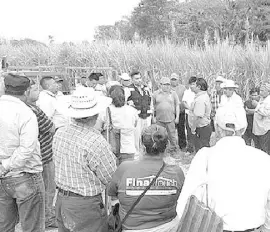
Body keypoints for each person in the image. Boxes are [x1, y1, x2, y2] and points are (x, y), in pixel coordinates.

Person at [177, 104, 270, 232]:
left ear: (217, 128)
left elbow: (184, 204)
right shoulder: (263, 158)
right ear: (244, 129)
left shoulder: (205, 156)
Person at [53, 87, 117, 232]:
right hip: (85, 204)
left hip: (63, 199)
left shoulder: (60, 133)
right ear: (95, 114)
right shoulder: (96, 141)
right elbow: (111, 177)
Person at [108, 124, 185, 232]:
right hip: (168, 227)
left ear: (142, 145)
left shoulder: (124, 168)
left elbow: (112, 193)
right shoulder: (177, 172)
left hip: (132, 228)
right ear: (167, 145)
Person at [0, 73, 45, 232]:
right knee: (32, 227)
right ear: (26, 92)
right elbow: (27, 149)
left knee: (4, 226)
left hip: (4, 175)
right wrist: (7, 166)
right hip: (25, 175)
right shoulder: (25, 113)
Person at [26, 79, 57, 228]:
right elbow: (50, 127)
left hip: (33, 157)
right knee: (48, 189)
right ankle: (48, 218)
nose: (38, 92)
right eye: (35, 89)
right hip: (43, 155)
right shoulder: (34, 110)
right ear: (26, 92)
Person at [95, 85, 138, 164]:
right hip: (128, 148)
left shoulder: (105, 111)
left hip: (112, 148)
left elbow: (97, 128)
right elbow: (135, 125)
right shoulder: (132, 111)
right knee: (126, 174)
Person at [127, 71, 152, 154]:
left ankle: (147, 152)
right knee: (136, 137)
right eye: (136, 79)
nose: (139, 80)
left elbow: (150, 101)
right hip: (137, 117)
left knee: (147, 135)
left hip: (147, 116)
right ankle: (137, 154)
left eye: (140, 78)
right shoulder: (129, 89)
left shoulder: (146, 88)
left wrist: (152, 114)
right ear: (132, 79)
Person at [152, 77, 180, 153]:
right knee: (160, 136)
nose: (167, 86)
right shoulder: (155, 94)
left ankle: (174, 150)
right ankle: (160, 150)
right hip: (159, 120)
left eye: (168, 84)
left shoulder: (173, 93)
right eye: (165, 84)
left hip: (170, 119)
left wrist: (177, 117)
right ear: (160, 85)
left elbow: (177, 105)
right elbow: (152, 106)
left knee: (172, 136)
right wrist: (153, 117)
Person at [189, 77, 212, 152]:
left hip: (201, 128)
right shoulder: (202, 96)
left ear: (199, 87)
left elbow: (198, 116)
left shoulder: (200, 99)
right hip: (203, 128)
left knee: (202, 151)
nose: (193, 87)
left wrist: (193, 128)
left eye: (195, 85)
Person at [170, 73, 187, 151]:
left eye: (175, 79)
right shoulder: (168, 88)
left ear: (178, 80)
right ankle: (171, 146)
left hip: (181, 112)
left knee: (181, 130)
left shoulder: (183, 88)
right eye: (172, 79)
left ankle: (182, 146)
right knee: (171, 130)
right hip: (171, 113)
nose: (173, 81)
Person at [253, 82, 270, 155]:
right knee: (258, 150)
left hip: (264, 129)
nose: (260, 92)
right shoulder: (261, 99)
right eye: (260, 90)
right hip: (257, 129)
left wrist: (257, 105)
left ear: (268, 91)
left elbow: (266, 113)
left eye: (262, 91)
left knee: (264, 150)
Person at [182, 76, 196, 154]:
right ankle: (190, 148)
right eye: (191, 84)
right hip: (189, 114)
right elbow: (184, 102)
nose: (192, 86)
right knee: (189, 131)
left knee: (197, 131)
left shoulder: (198, 92)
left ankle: (197, 147)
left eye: (194, 84)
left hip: (197, 115)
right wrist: (190, 108)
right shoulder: (187, 92)